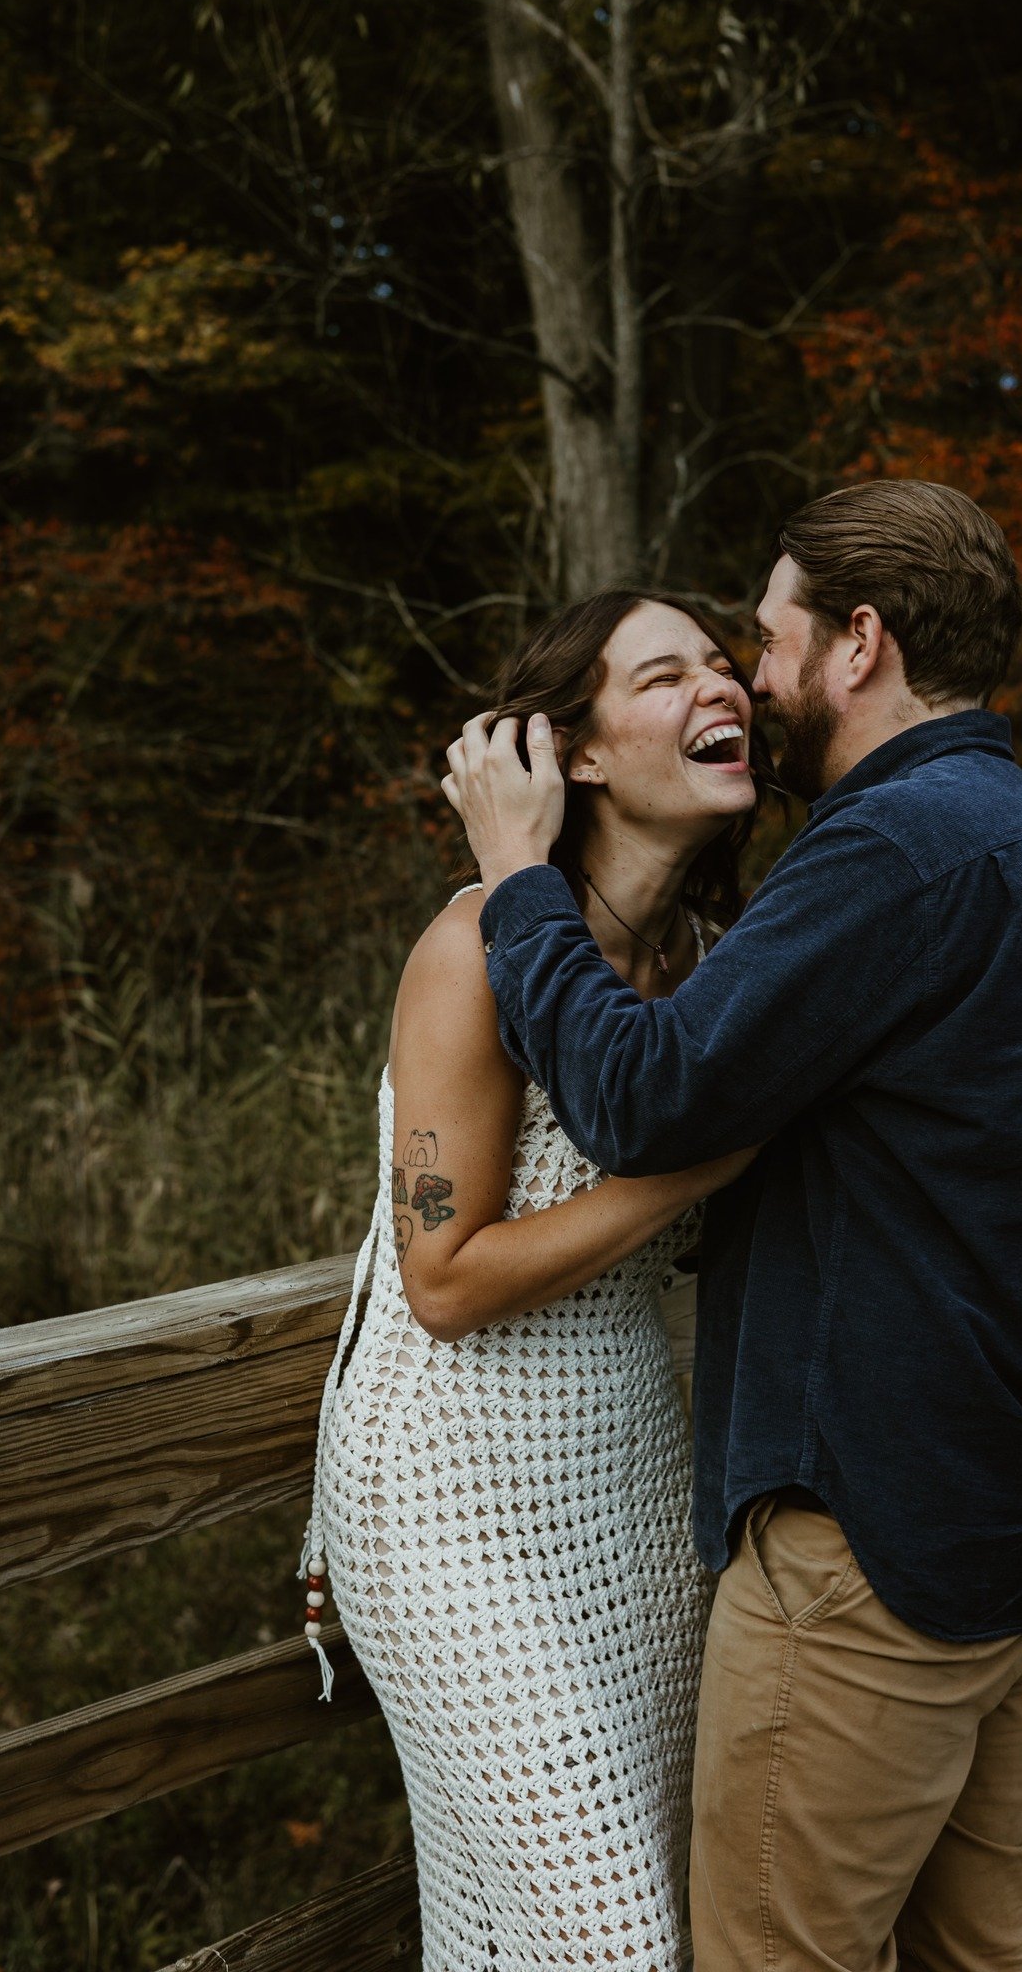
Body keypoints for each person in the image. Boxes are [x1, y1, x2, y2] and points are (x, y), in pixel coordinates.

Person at [443, 479, 1022, 1972]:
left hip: (877, 1545)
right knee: (978, 1948)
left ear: (857, 645)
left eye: (762, 642)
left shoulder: (898, 847)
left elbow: (643, 1099)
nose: (749, 684)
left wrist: (515, 883)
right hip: (1010, 1523)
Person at [302, 588, 776, 1970]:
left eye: (727, 667)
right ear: (571, 753)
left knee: (602, 1907)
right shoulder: (471, 953)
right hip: (445, 1488)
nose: (722, 691)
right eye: (664, 675)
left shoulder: (698, 967)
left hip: (623, 1467)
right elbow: (440, 1279)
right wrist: (698, 1166)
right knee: (605, 1927)